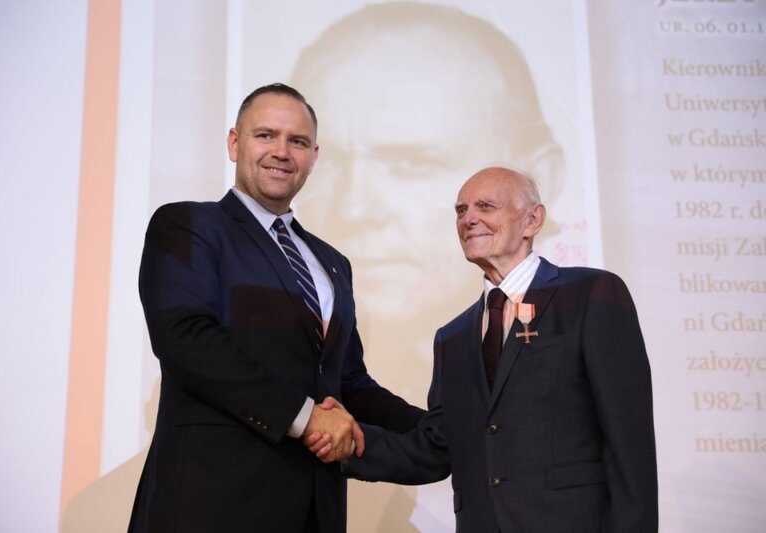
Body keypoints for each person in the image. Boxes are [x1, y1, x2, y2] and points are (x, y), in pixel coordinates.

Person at [128, 83, 424, 533]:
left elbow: (346, 382)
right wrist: (307, 418)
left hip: (315, 510)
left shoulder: (333, 263)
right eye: (265, 135)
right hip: (211, 508)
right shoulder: (189, 225)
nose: (281, 152)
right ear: (234, 143)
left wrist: (443, 429)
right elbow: (185, 338)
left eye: (297, 141)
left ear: (314, 157)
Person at [309, 167, 658, 532]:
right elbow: (435, 450)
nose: (469, 219)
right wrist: (350, 444)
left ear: (532, 219)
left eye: (485, 206)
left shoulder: (590, 295)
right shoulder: (453, 338)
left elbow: (629, 443)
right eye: (461, 210)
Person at [289, 1, 573, 407]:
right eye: (331, 165)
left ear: (540, 182)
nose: (354, 209)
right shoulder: (453, 339)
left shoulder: (586, 304)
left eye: (410, 163)